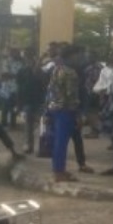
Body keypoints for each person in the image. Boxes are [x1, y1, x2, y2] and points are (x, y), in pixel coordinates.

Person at [46, 45, 86, 182]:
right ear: (71, 56)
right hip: (66, 110)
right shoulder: (70, 73)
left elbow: (50, 90)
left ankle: (58, 169)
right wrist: (78, 114)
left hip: (54, 108)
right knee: (61, 142)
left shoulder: (57, 69)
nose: (80, 58)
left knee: (57, 141)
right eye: (78, 55)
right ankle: (59, 172)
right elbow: (71, 95)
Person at [17, 50, 45, 155]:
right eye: (26, 58)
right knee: (28, 124)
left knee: (40, 124)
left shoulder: (41, 71)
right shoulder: (22, 71)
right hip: (27, 100)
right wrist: (19, 103)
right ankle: (28, 145)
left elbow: (44, 85)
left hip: (39, 100)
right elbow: (19, 88)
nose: (28, 60)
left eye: (30, 57)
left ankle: (39, 146)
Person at [0, 48, 23, 128]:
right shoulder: (4, 62)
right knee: (5, 107)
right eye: (13, 53)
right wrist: (16, 76)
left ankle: (12, 124)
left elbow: (21, 75)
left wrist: (12, 75)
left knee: (13, 107)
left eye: (16, 53)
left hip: (16, 87)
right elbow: (3, 75)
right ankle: (3, 124)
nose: (16, 54)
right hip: (6, 89)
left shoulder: (20, 63)